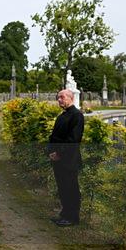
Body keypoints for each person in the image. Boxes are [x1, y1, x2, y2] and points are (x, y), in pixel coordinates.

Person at [48, 89, 84, 227]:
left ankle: (72, 217)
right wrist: (51, 151)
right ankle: (65, 214)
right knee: (62, 188)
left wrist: (60, 153)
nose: (59, 100)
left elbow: (73, 140)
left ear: (71, 98)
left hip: (69, 159)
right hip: (57, 158)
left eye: (62, 97)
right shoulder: (62, 116)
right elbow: (53, 137)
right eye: (58, 97)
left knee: (71, 188)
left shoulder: (77, 116)